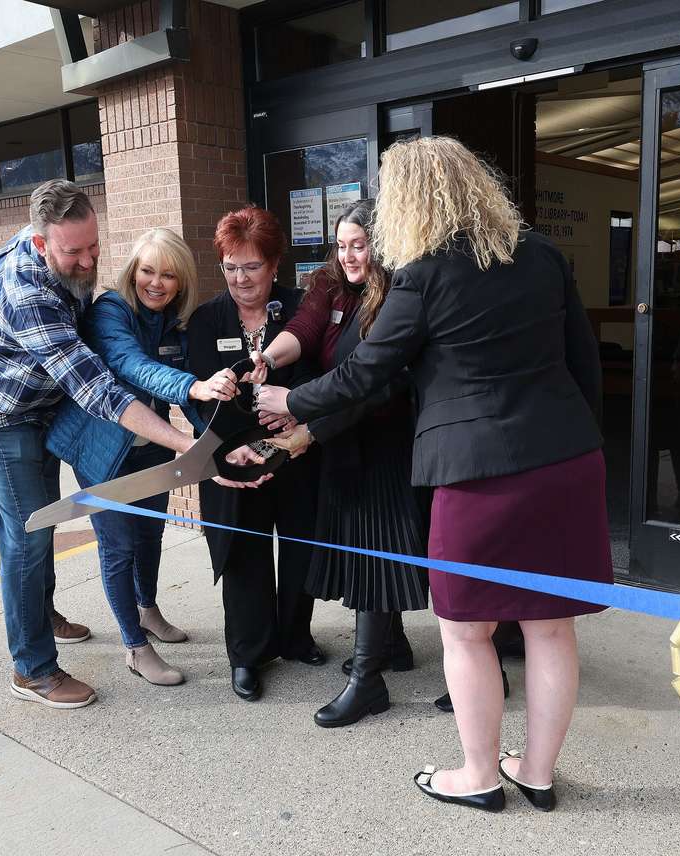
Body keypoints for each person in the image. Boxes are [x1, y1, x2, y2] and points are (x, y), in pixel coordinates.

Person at [256, 137, 611, 813]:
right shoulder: (539, 255)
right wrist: (576, 443)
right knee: (551, 626)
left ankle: (479, 775)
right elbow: (581, 363)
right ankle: (535, 771)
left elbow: (369, 370)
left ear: (409, 200)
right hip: (567, 461)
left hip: (478, 472)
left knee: (466, 630)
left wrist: (292, 401)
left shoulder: (423, 272)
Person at [0, 180, 198, 710]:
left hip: (40, 406)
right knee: (28, 535)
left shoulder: (59, 243)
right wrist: (185, 445)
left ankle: (41, 613)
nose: (88, 262)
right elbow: (98, 389)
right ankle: (33, 669)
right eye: (73, 252)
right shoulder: (28, 295)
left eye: (94, 247)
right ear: (41, 245)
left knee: (44, 521)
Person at [249, 199, 428, 727]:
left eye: (360, 245)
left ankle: (368, 679)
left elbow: (378, 385)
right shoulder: (328, 282)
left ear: (382, 245)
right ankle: (392, 647)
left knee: (374, 554)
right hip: (344, 443)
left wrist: (309, 429)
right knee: (362, 549)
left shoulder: (399, 292)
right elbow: (303, 329)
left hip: (385, 440)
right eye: (342, 244)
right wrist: (269, 358)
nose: (349, 256)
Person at [46, 228, 240, 686]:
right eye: (147, 271)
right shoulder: (110, 311)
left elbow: (191, 390)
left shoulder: (176, 320)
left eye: (168, 274)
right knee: (119, 548)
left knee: (151, 535)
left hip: (151, 445)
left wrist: (220, 442)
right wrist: (192, 387)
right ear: (133, 272)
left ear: (181, 281)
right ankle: (135, 648)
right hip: (100, 451)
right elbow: (131, 365)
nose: (156, 283)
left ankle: (147, 610)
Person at [186, 206, 325, 702]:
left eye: (252, 266)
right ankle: (247, 654)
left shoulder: (302, 309)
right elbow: (192, 396)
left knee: (300, 548)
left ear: (274, 264)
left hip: (294, 453)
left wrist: (295, 415)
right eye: (230, 266)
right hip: (232, 463)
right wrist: (214, 394)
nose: (241, 279)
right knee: (244, 556)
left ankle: (294, 635)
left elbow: (320, 368)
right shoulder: (206, 320)